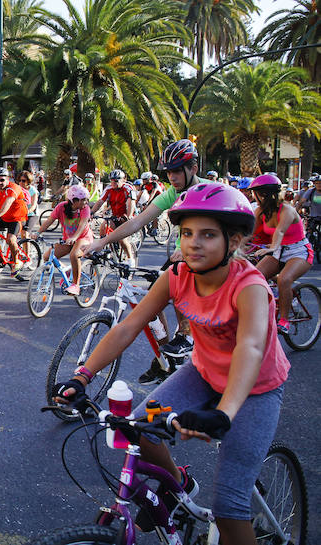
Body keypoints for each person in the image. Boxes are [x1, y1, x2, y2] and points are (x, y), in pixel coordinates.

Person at [53, 182, 289, 545]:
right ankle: (180, 489)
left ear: (236, 240)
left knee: (229, 508)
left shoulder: (250, 286)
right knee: (139, 426)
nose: (194, 243)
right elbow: (128, 327)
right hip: (203, 375)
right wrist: (82, 376)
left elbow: (252, 348)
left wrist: (224, 414)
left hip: (255, 389)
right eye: (187, 233)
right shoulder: (177, 276)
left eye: (208, 235)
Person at [84, 140, 206, 376]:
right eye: (168, 171)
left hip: (205, 258)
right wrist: (100, 242)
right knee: (151, 302)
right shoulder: (173, 194)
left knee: (179, 282)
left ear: (193, 168)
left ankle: (186, 335)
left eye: (177, 170)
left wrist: (192, 249)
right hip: (180, 257)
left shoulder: (210, 191)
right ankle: (166, 358)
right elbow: (137, 222)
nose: (172, 177)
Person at [249, 174, 313, 334]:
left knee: (285, 279)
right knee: (254, 276)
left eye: (254, 193)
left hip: (299, 252)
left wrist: (272, 248)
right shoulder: (260, 212)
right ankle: (272, 305)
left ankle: (284, 320)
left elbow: (280, 231)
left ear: (262, 193)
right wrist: (233, 250)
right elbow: (249, 235)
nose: (253, 197)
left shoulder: (287, 210)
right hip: (277, 251)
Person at [31, 184, 93, 295]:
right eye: (83, 200)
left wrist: (74, 237)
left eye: (86, 199)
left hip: (83, 237)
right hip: (68, 239)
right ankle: (69, 270)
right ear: (73, 201)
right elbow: (49, 221)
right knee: (47, 256)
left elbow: (83, 224)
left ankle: (76, 285)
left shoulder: (85, 209)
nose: (86, 202)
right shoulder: (61, 207)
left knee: (74, 255)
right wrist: (38, 232)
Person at [90, 169, 137, 266]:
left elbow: (131, 203)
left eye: (116, 180)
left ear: (123, 180)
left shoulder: (128, 188)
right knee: (104, 226)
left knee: (121, 239)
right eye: (111, 180)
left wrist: (127, 217)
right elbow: (100, 202)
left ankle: (130, 259)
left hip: (126, 216)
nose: (113, 183)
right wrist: (91, 213)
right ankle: (106, 251)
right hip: (115, 216)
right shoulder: (108, 189)